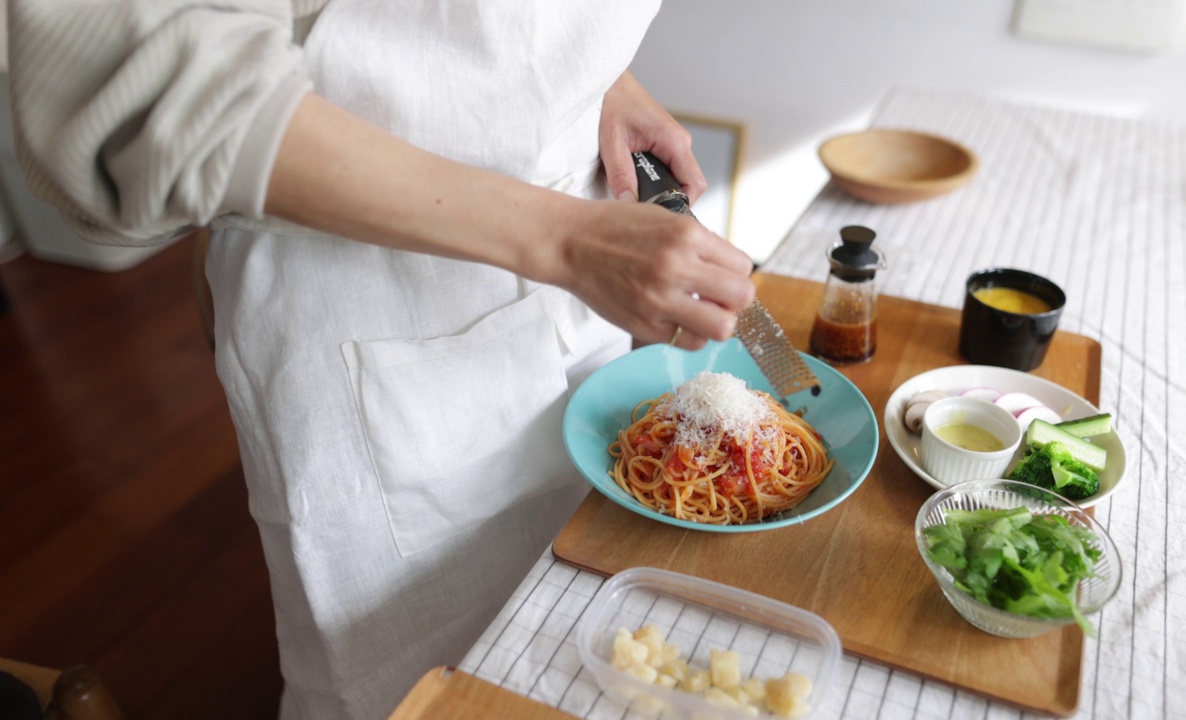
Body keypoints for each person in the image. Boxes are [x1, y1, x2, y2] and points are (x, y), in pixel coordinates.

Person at [7, 1, 757, 718]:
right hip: (374, 315)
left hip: (578, 284)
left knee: (590, 637)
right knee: (414, 686)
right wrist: (563, 239)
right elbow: (142, 76)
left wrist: (592, 77)